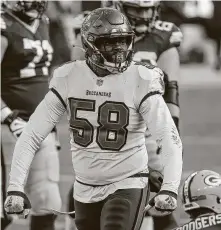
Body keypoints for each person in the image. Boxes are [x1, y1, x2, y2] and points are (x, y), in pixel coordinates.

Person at [4, 8, 183, 230]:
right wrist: (15, 187)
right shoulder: (69, 77)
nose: (119, 50)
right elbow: (32, 135)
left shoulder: (142, 78)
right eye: (111, 43)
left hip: (128, 182)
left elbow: (169, 138)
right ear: (91, 44)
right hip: (85, 188)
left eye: (124, 42)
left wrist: (170, 187)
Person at [113, 0, 183, 229]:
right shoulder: (99, 27)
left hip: (149, 126)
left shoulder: (165, 35)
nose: (143, 16)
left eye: (148, 9)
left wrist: (172, 131)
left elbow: (171, 88)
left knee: (162, 197)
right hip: (111, 126)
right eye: (136, 9)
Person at [1, 1, 61, 229]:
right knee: (3, 210)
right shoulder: (3, 25)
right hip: (9, 125)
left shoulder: (43, 22)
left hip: (40, 124)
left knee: (47, 202)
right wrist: (7, 116)